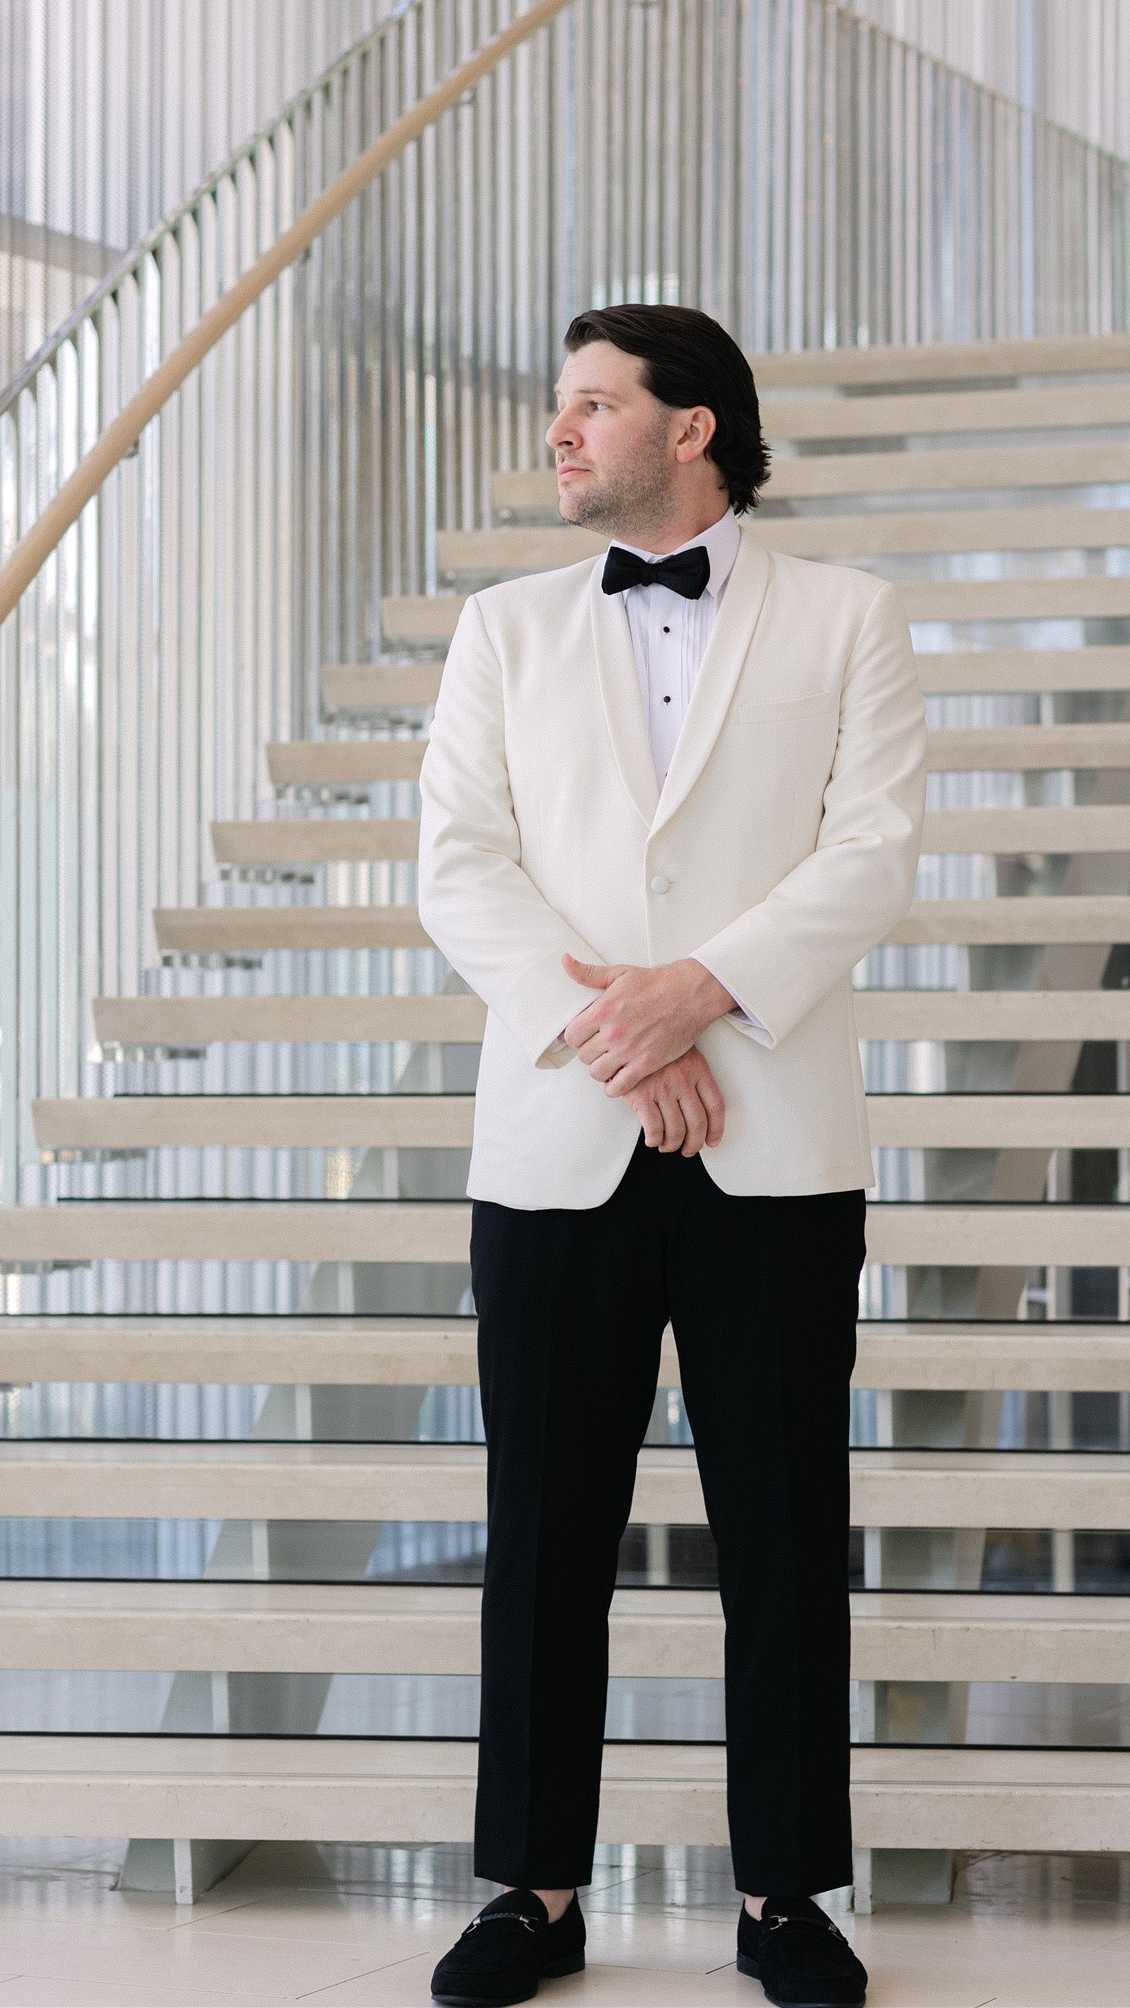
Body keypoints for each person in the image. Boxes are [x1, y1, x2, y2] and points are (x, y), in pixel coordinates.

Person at [417, 303, 927, 2008]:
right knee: (543, 1527)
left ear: (689, 426)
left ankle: (785, 1896)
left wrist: (701, 995)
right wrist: (624, 1042)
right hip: (564, 1132)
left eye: (588, 407)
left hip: (771, 1136)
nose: (558, 436)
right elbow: (461, 869)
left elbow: (872, 855)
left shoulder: (848, 619)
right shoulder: (499, 630)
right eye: (557, 409)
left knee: (783, 1527)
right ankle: (533, 1892)